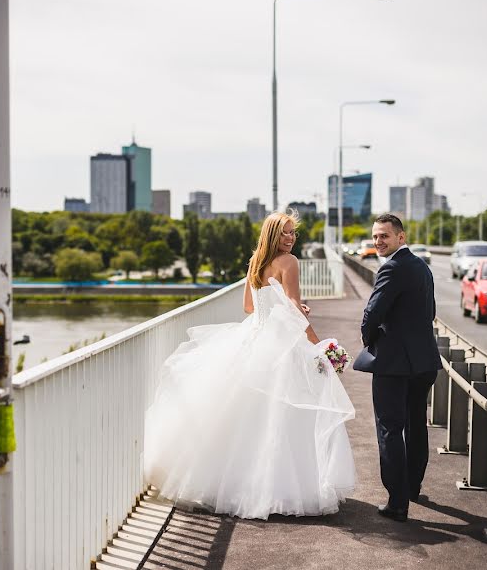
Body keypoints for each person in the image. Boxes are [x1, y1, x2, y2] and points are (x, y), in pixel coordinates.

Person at [144, 210, 356, 520]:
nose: (290, 238)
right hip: (282, 344)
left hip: (254, 339)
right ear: (272, 234)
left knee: (246, 416)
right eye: (284, 233)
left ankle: (233, 485)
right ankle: (279, 488)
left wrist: (285, 304)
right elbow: (295, 311)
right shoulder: (290, 262)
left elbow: (248, 306)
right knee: (285, 416)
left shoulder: (256, 260)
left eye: (292, 233)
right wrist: (320, 345)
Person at [353, 213, 442, 522]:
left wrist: (373, 342)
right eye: (376, 236)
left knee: (390, 428)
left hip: (394, 364)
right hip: (424, 361)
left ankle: (397, 501)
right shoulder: (422, 267)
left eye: (384, 236)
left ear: (400, 238)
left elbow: (371, 315)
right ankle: (412, 487)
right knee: (416, 425)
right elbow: (430, 311)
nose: (379, 241)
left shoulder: (392, 268)